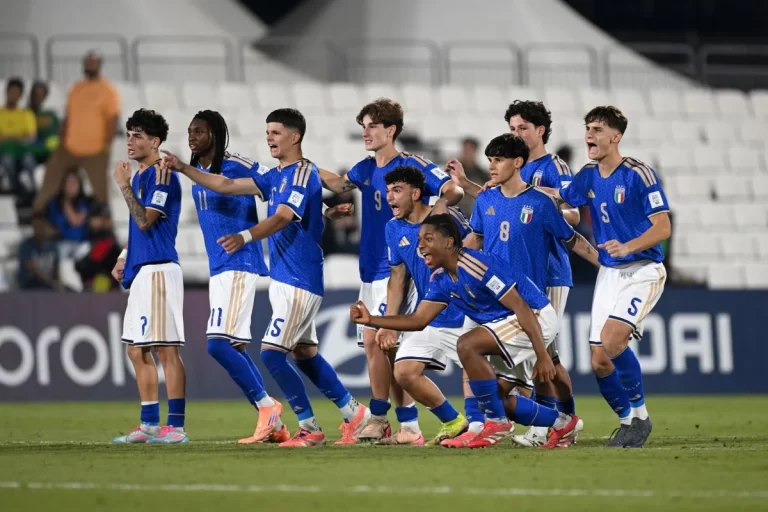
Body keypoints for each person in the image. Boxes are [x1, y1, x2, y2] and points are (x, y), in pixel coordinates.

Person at [160, 108, 370, 448]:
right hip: (284, 276)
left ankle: (309, 427)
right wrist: (184, 167)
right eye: (267, 131)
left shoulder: (302, 172)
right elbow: (227, 185)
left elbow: (285, 216)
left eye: (275, 132)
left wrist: (244, 236)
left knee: (272, 354)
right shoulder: (278, 176)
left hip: (299, 277)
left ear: (294, 136)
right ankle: (355, 415)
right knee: (305, 354)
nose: (268, 138)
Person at [350, 214, 583, 449]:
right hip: (504, 324)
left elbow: (521, 306)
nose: (420, 245)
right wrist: (372, 319)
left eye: (428, 239)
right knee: (496, 398)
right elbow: (419, 320)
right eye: (419, 239)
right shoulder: (442, 279)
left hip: (535, 316)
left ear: (449, 242)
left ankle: (495, 423)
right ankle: (563, 423)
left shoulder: (475, 266)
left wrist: (542, 356)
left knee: (467, 344)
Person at [319, 97, 464, 442]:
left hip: (396, 267)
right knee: (379, 346)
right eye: (363, 127)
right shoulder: (366, 168)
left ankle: (385, 419)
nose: (366, 133)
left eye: (372, 126)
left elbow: (452, 188)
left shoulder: (411, 167)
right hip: (369, 266)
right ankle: (406, 423)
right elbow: (341, 185)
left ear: (391, 130)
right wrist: (306, 170)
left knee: (378, 341)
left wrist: (440, 210)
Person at [451, 108, 585, 447]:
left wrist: (550, 203)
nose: (518, 132)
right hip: (506, 279)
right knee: (536, 359)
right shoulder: (500, 183)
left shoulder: (554, 168)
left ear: (540, 131)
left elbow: (574, 213)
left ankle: (555, 423)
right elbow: (495, 217)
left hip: (548, 275)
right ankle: (559, 422)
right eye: (512, 127)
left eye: (523, 127)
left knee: (545, 356)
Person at [543, 105, 671, 448]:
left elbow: (663, 227)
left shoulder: (639, 174)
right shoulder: (587, 174)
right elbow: (559, 196)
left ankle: (641, 418)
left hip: (643, 270)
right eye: (587, 128)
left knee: (613, 343)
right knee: (599, 360)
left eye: (597, 129)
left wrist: (627, 246)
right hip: (611, 274)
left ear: (616, 137)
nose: (589, 135)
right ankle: (628, 422)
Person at [179, 109, 290, 444]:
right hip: (219, 268)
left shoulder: (236, 165)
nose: (192, 137)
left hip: (239, 261)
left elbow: (278, 184)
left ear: (214, 134)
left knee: (217, 345)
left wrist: (322, 208)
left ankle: (267, 407)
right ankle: (277, 426)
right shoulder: (197, 169)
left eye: (198, 131)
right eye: (189, 132)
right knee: (234, 346)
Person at [379, 165, 478, 446]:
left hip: (467, 310)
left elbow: (475, 248)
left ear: (416, 193)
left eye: (397, 190)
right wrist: (389, 323)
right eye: (387, 191)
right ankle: (454, 422)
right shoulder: (393, 228)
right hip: (431, 314)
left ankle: (484, 424)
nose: (389, 197)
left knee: (492, 375)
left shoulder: (444, 218)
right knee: (404, 372)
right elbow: (397, 279)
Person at [110, 109, 187, 445]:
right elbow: (136, 229)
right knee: (136, 350)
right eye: (128, 134)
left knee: (164, 350)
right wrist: (124, 256)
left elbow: (146, 221)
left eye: (138, 135)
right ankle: (149, 424)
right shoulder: (142, 176)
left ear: (155, 141)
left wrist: (123, 186)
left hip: (159, 269)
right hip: (141, 269)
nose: (131, 140)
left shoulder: (163, 174)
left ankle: (177, 426)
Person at [34, 51, 120, 213]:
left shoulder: (107, 90)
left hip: (96, 150)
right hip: (69, 147)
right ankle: (39, 212)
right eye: (87, 62)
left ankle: (105, 224)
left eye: (93, 62)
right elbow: (68, 117)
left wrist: (107, 146)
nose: (89, 65)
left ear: (99, 65)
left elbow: (112, 119)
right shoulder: (76, 88)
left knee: (101, 191)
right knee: (51, 177)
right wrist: (62, 141)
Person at [0, 77, 36, 193]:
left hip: (23, 153)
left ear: (20, 95)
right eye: (11, 92)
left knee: (29, 161)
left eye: (17, 93)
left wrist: (8, 137)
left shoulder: (26, 114)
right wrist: (19, 136)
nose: (13, 95)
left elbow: (30, 137)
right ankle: (15, 189)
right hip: (5, 153)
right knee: (7, 160)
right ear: (6, 91)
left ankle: (34, 191)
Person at [17, 213, 60, 290]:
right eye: (36, 227)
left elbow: (56, 268)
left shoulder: (53, 246)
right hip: (30, 284)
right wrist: (50, 282)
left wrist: (56, 281)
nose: (39, 230)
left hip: (48, 284)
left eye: (41, 226)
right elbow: (32, 269)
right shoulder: (26, 246)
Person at [455, 137, 487, 216]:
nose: (467, 153)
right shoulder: (454, 172)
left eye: (469, 150)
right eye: (465, 150)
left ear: (475, 151)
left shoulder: (482, 175)